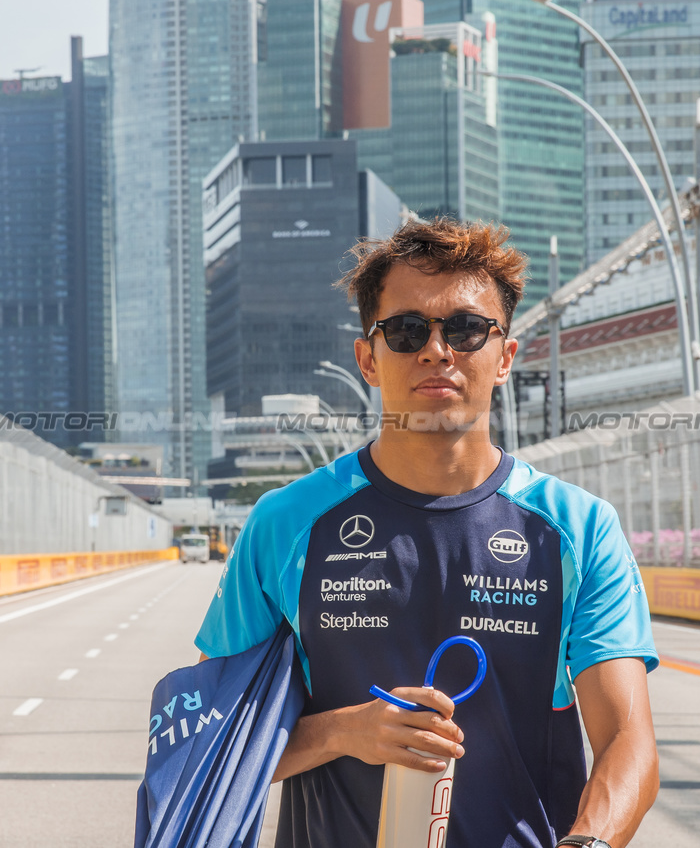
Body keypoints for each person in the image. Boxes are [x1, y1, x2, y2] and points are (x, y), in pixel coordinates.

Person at [195, 219, 659, 848]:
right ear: (368, 358)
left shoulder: (577, 528)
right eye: (407, 330)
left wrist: (589, 844)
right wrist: (343, 731)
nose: (437, 350)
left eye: (466, 329)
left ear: (505, 357)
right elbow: (209, 748)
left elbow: (628, 742)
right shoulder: (284, 524)